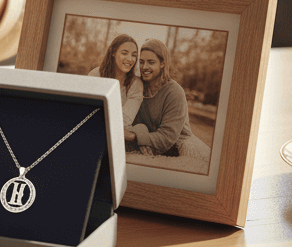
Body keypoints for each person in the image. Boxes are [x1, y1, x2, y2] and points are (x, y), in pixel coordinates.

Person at [125, 39, 211, 171]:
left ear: (162, 64)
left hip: (178, 147)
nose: (144, 67)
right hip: (147, 146)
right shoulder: (136, 86)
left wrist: (134, 135)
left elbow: (167, 137)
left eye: (151, 62)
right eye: (141, 62)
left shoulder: (174, 92)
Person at [87, 33, 142, 129]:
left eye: (134, 55)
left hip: (117, 134)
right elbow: (86, 107)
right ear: (113, 52)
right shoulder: (95, 74)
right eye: (124, 53)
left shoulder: (136, 84)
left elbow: (125, 119)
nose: (129, 59)